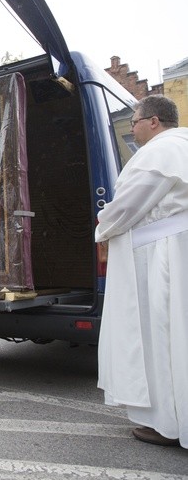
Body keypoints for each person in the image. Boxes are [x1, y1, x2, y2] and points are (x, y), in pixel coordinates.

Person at [95, 95, 188, 448]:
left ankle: (168, 423)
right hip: (176, 249)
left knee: (162, 337)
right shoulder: (181, 146)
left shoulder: (160, 152)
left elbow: (128, 206)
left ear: (154, 121)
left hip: (161, 258)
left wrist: (101, 228)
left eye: (134, 121)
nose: (131, 128)